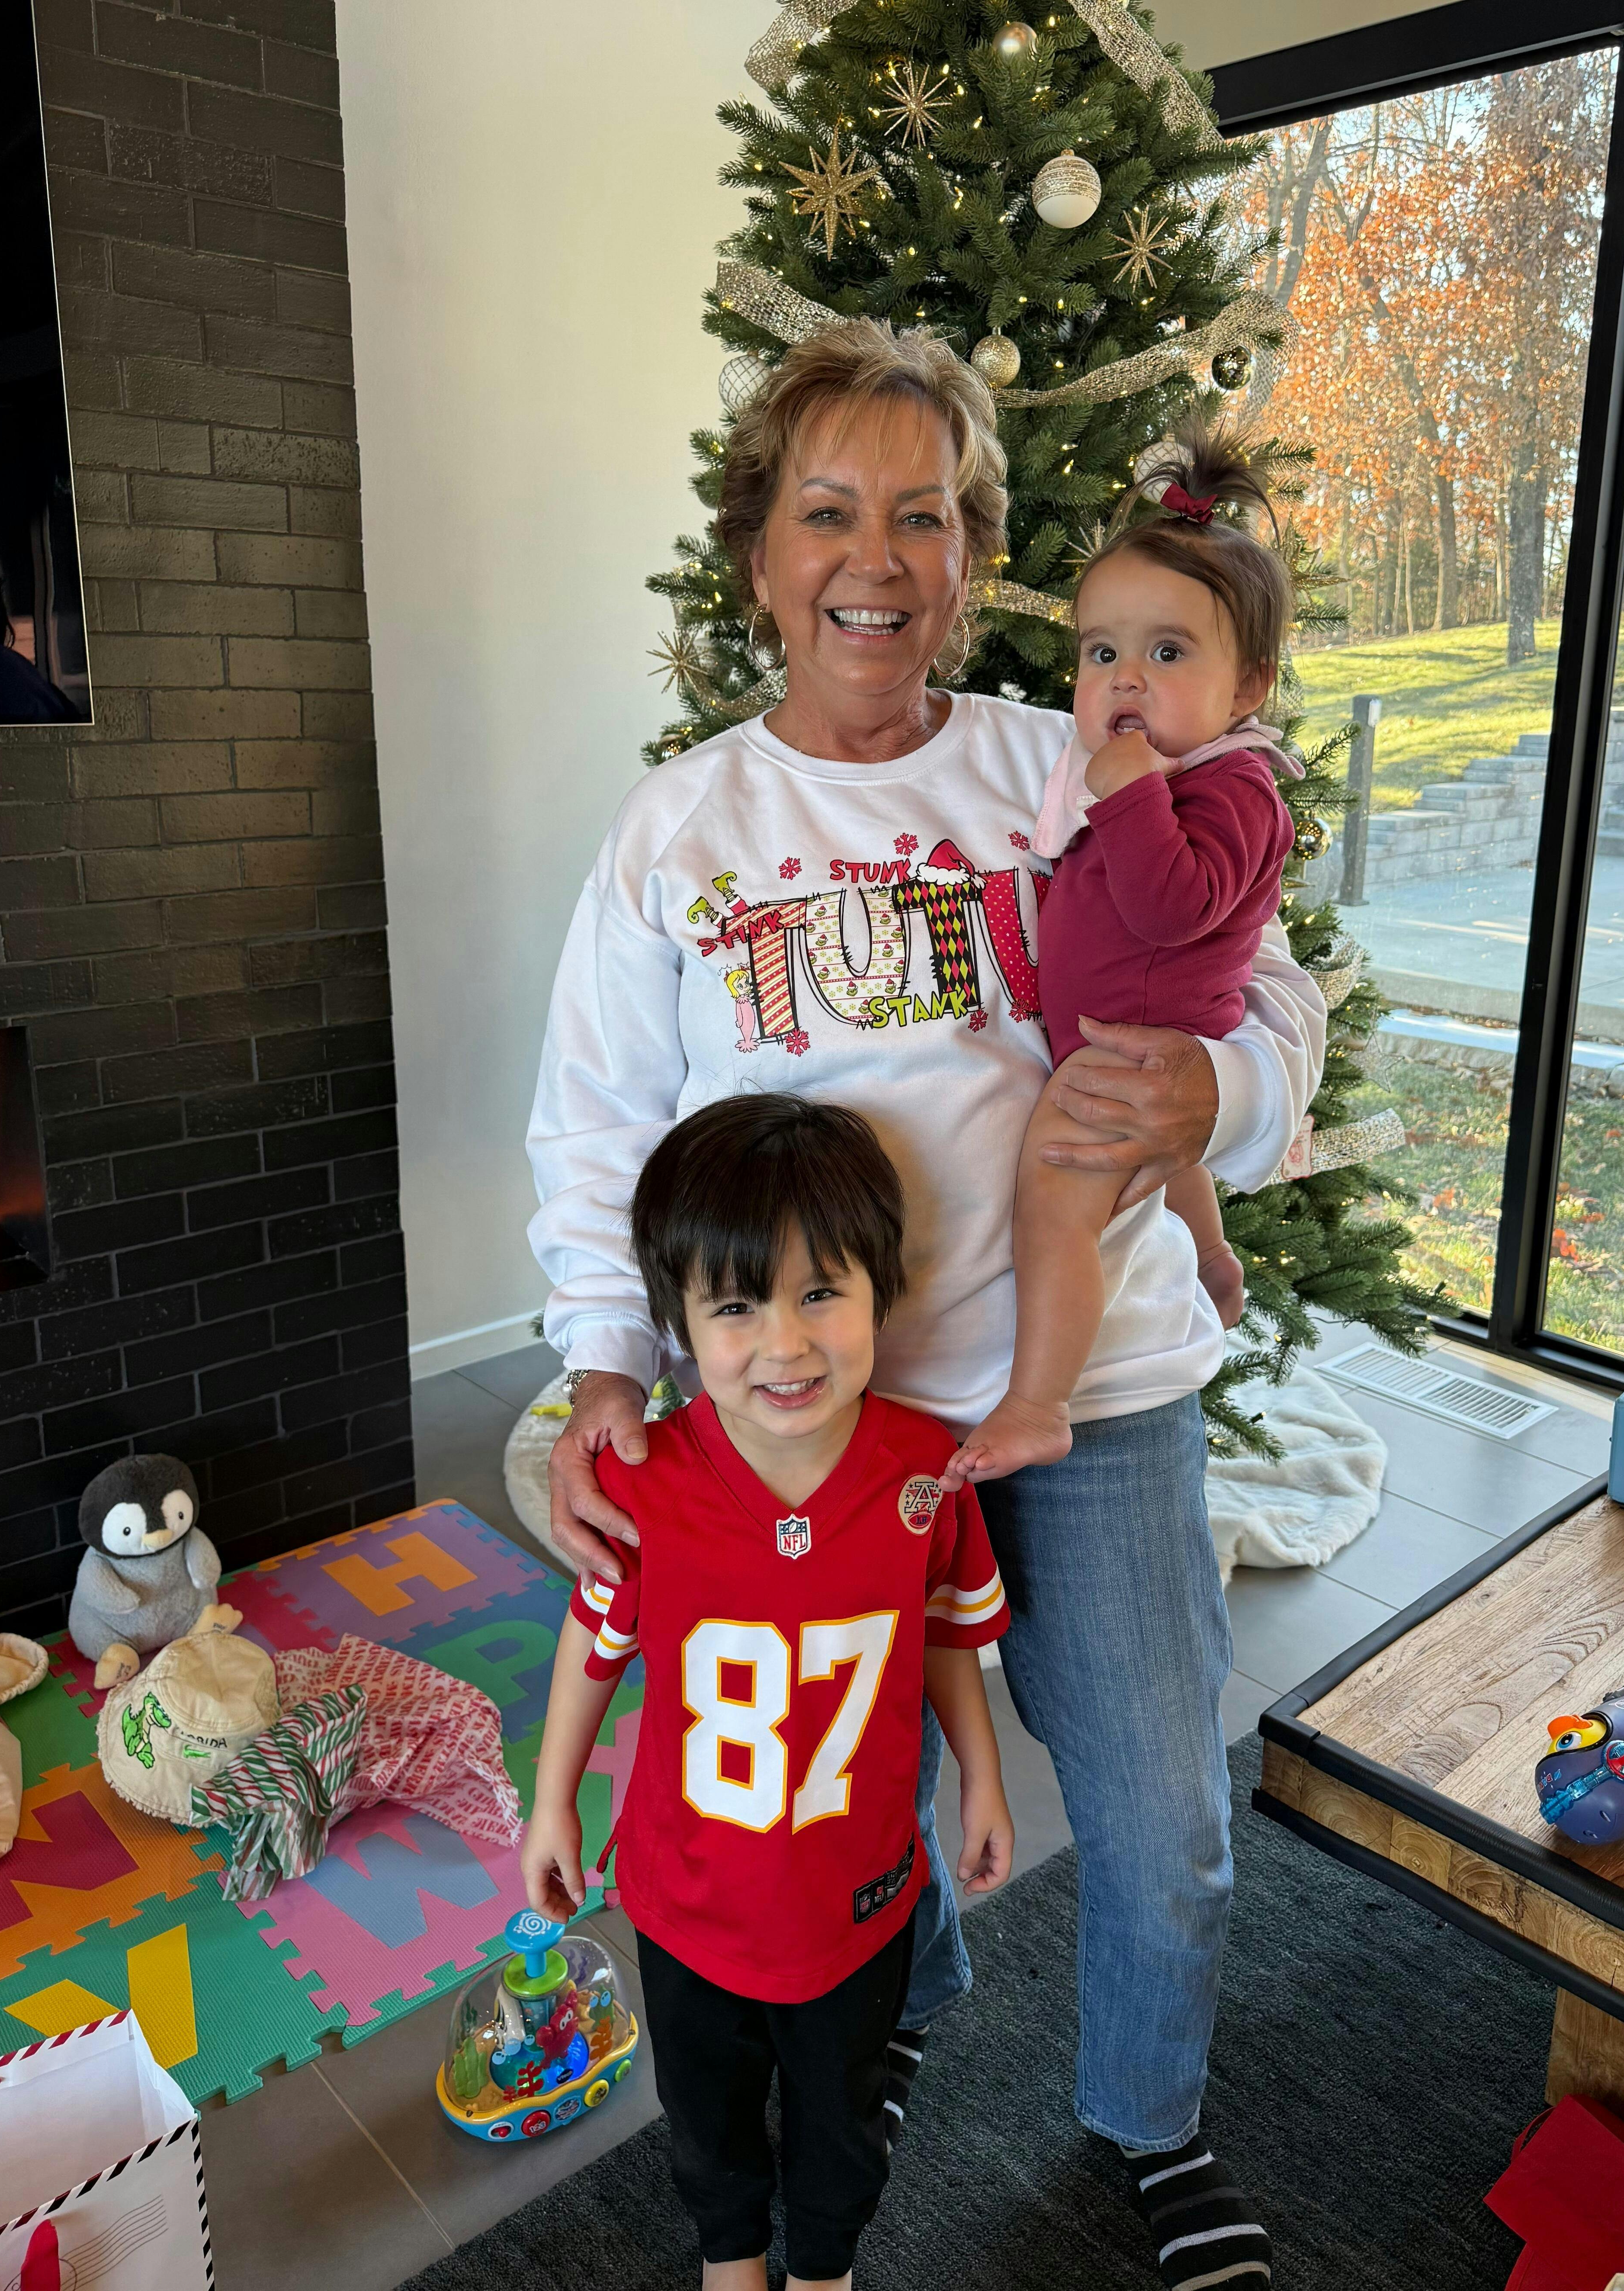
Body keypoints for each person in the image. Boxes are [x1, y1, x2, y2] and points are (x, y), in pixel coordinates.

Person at [529, 316, 1324, 2288]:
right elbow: (598, 1131)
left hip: (1094, 1389)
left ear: (972, 556)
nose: (874, 560)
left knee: (1162, 1811)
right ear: (760, 556)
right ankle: (886, 2020)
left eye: (923, 514)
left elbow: (1267, 988)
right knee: (843, 1793)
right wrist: (603, 1368)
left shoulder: (1072, 757)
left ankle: (1147, 2124)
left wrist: (1222, 1092)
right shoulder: (679, 830)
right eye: (828, 514)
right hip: (810, 1433)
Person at [523, 1094, 1013, 2291]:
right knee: (707, 2117)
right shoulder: (646, 1486)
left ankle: (823, 2270)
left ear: (882, 1290)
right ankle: (730, 2260)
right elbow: (594, 1643)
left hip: (861, 1898)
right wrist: (550, 1805)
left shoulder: (923, 1475)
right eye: (737, 1307)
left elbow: (947, 1636)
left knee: (844, 2122)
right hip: (686, 1899)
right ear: (677, 1322)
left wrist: (984, 1781)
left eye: (820, 1293)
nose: (785, 1346)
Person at [949, 424, 1299, 1484]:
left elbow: (1172, 906)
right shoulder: (1138, 772)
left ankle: (1039, 1403)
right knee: (1165, 1164)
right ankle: (1213, 1260)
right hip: (1125, 1041)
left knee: (1058, 1190)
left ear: (1248, 685)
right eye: (1102, 654)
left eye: (1168, 654)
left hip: (1126, 1053)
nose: (1125, 681)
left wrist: (1132, 796)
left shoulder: (1235, 789)